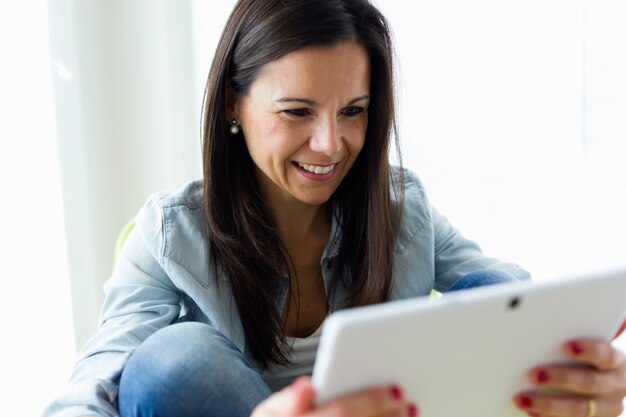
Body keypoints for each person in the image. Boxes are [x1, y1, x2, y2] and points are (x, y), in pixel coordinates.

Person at [43, 0, 626, 416]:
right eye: (297, 111)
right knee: (175, 360)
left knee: (491, 290)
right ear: (232, 106)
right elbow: (90, 388)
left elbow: (511, 297)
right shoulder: (170, 236)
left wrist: (574, 369)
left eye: (354, 111)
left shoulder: (402, 209)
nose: (331, 144)